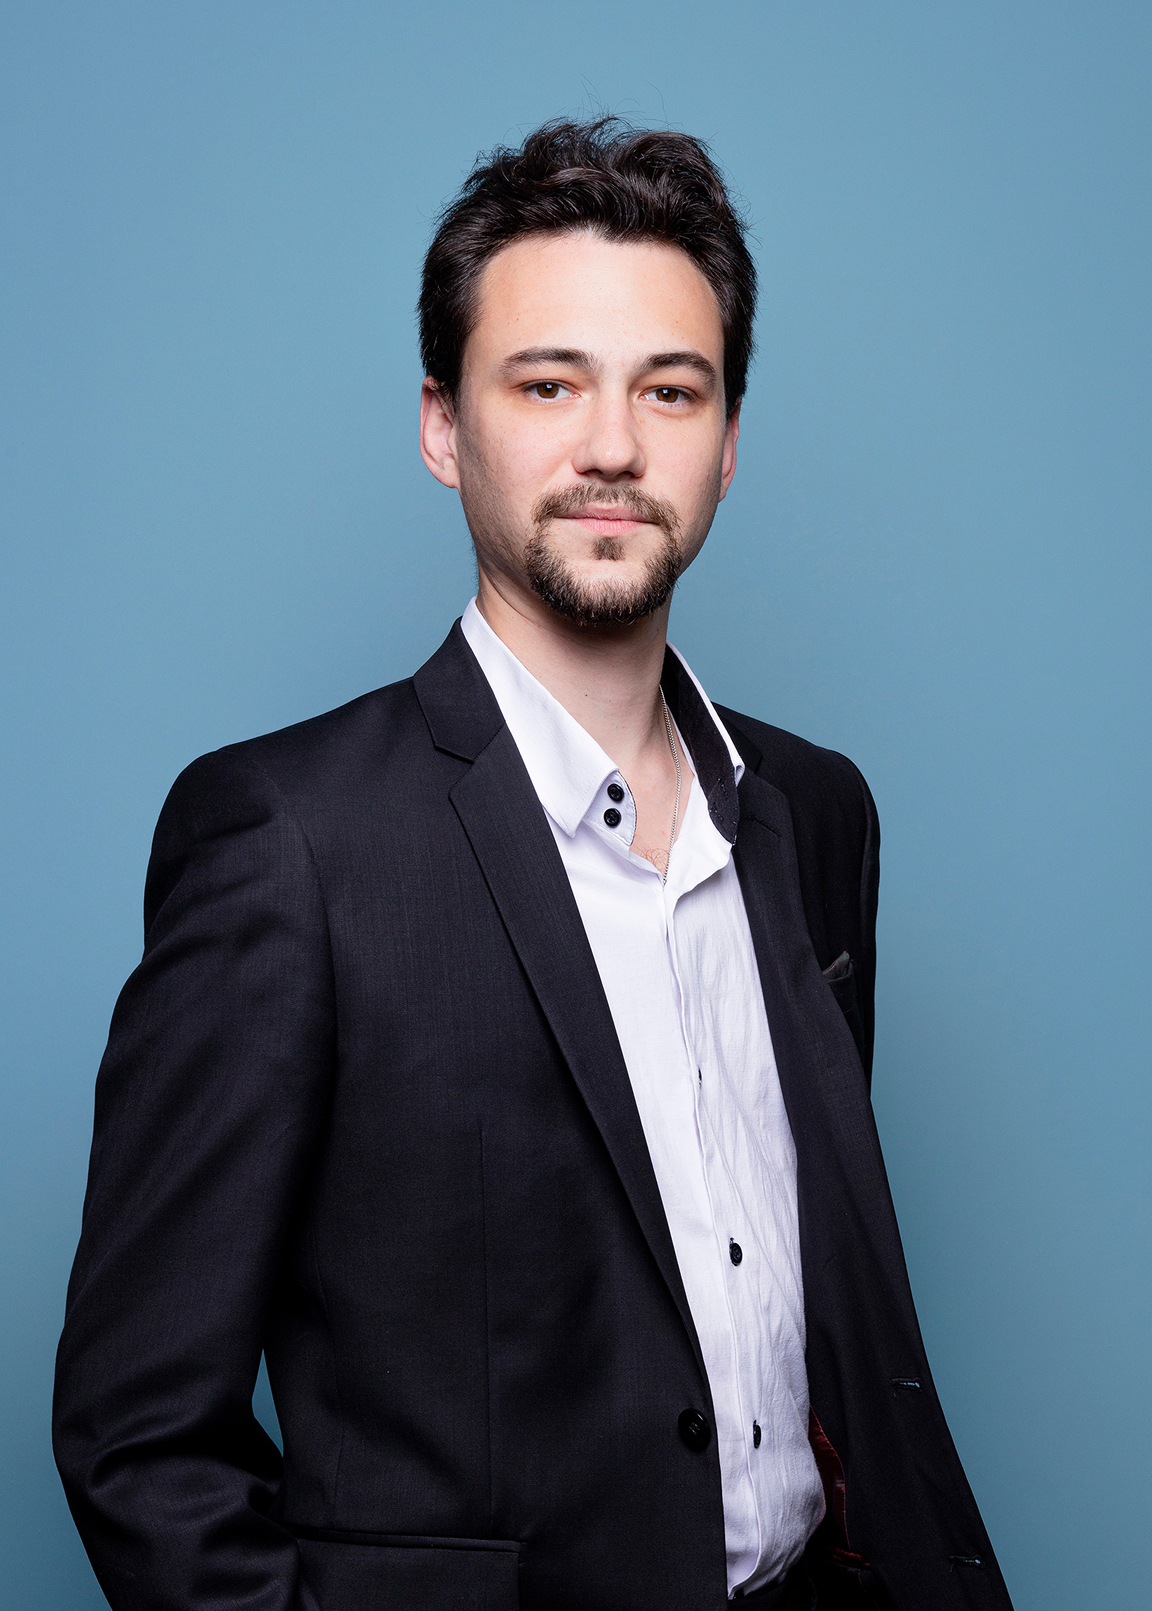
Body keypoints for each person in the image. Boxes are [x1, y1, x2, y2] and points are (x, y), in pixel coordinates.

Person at [54, 119, 1013, 1611]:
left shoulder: (815, 814)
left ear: (728, 441)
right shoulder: (285, 843)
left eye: (670, 390)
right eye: (548, 383)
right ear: (443, 428)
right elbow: (137, 1438)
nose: (614, 446)